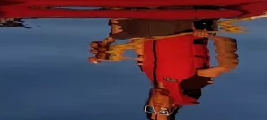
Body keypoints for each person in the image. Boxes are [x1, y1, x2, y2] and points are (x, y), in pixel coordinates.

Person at [88, 18, 239, 119]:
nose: (157, 107)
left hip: (152, 20)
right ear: (173, 106)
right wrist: (211, 33)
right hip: (184, 21)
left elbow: (138, 40)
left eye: (151, 110)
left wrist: (106, 47)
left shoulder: (145, 69)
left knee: (117, 28)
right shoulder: (189, 85)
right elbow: (228, 65)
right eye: (163, 111)